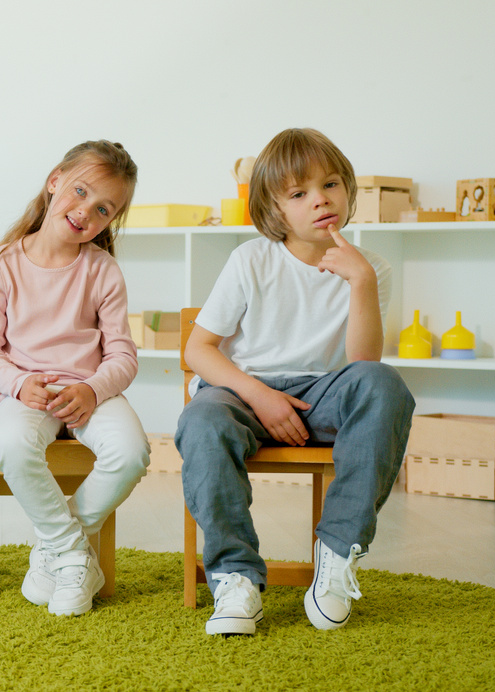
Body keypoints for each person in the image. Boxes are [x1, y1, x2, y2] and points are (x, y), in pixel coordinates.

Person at [176, 128, 415, 636]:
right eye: (299, 193)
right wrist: (260, 397)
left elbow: (363, 363)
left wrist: (362, 281)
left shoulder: (372, 267)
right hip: (244, 392)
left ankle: (334, 556)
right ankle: (234, 578)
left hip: (324, 395)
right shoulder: (250, 259)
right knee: (201, 421)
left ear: (348, 190)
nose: (321, 199)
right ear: (274, 209)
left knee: (385, 384)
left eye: (330, 184)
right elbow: (197, 349)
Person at [0, 140, 150, 617]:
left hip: (90, 391)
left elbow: (123, 356)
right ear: (55, 181)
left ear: (111, 220)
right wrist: (15, 383)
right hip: (26, 390)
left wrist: (92, 389)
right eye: (80, 191)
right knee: (11, 443)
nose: (85, 211)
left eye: (103, 208)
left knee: (132, 452)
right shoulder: (1, 263)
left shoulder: (103, 271)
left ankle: (54, 549)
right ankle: (73, 556)